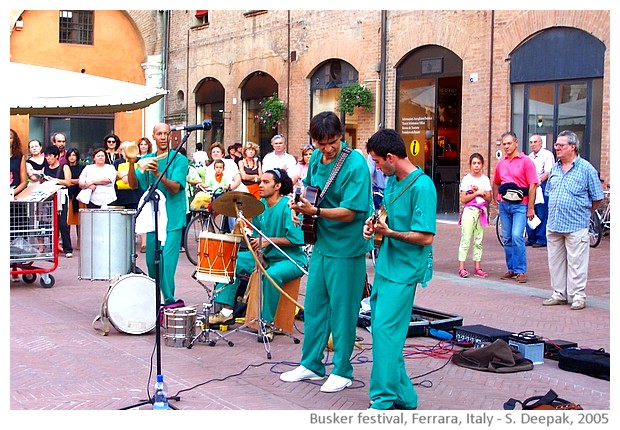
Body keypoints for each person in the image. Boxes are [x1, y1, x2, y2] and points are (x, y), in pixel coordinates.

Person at [280, 111, 372, 393]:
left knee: (343, 311)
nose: (327, 148)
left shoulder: (355, 163)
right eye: (321, 143)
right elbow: (312, 191)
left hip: (347, 246)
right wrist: (301, 211)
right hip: (321, 241)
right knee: (316, 305)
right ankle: (312, 363)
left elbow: (353, 211)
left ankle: (343, 369)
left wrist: (315, 211)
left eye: (332, 142)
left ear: (341, 135)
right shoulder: (317, 158)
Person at [362, 128, 436, 410]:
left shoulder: (422, 186)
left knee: (385, 331)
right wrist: (374, 224)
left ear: (391, 157)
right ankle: (405, 396)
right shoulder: (393, 181)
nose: (377, 168)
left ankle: (382, 398)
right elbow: (386, 215)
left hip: (405, 270)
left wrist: (390, 233)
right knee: (384, 332)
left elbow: (425, 237)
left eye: (378, 162)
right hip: (386, 266)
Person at [209, 168, 307, 341]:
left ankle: (267, 323)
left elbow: (297, 239)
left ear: (277, 186)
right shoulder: (260, 207)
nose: (260, 185)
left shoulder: (287, 206)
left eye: (265, 182)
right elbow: (257, 237)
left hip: (291, 260)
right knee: (232, 260)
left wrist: (269, 240)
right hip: (267, 256)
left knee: (272, 275)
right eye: (260, 181)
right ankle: (226, 311)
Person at [127, 122, 188, 306]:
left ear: (170, 136)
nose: (163, 137)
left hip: (172, 218)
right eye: (159, 134)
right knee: (152, 262)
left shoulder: (179, 159)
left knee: (166, 263)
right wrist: (131, 163)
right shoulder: (147, 158)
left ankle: (168, 301)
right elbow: (133, 184)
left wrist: (156, 172)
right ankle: (155, 298)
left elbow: (175, 188)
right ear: (153, 136)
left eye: (166, 134)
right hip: (153, 218)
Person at [542, 130, 603, 311]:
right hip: (554, 224)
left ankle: (578, 296)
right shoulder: (554, 168)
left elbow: (597, 197)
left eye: (561, 145)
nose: (557, 148)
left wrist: (585, 214)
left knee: (577, 263)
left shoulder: (586, 169)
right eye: (556, 145)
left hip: (576, 224)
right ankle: (558, 294)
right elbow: (549, 193)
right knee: (555, 262)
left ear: (573, 147)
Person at [492, 131, 538, 284]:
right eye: (504, 144)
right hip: (505, 205)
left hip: (520, 205)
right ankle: (511, 268)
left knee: (517, 236)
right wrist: (495, 199)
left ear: (516, 143)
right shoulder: (501, 163)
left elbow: (533, 185)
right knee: (507, 238)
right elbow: (496, 182)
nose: (506, 146)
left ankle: (520, 270)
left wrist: (530, 207)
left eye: (509, 143)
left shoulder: (526, 161)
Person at [457, 153, 492, 278]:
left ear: (482, 164)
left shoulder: (485, 180)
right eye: (474, 163)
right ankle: (461, 267)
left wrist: (482, 193)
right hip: (470, 211)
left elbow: (489, 197)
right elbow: (463, 199)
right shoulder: (466, 179)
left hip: (481, 211)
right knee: (465, 238)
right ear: (470, 165)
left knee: (479, 239)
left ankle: (477, 266)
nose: (476, 166)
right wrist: (477, 192)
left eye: (479, 163)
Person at [43, 145, 73, 258]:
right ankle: (52, 247)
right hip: (49, 197)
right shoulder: (45, 169)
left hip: (61, 196)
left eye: (50, 156)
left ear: (56, 156)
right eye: (46, 156)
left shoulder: (64, 167)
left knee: (62, 223)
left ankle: (67, 248)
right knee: (50, 223)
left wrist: (56, 180)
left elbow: (68, 182)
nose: (48, 158)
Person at [525, 134, 555, 248]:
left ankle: (541, 239)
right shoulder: (529, 157)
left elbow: (548, 172)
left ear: (541, 143)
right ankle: (531, 237)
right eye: (531, 142)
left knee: (541, 212)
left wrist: (539, 181)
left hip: (542, 185)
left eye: (535, 142)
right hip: (530, 185)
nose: (533, 144)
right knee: (530, 211)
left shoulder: (547, 155)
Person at [112, 142, 142, 210]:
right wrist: (125, 175)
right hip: (120, 196)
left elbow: (139, 173)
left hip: (136, 196)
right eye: (123, 149)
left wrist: (123, 174)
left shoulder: (139, 160)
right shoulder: (117, 162)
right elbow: (113, 174)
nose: (125, 151)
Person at [66, 148, 85, 245]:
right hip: (68, 195)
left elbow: (81, 180)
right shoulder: (65, 167)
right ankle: (67, 242)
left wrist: (69, 181)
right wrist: (72, 181)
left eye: (74, 155)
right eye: (70, 155)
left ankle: (80, 241)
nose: (72, 157)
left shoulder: (81, 168)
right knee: (67, 220)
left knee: (80, 221)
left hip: (79, 195)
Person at [10, 129, 28, 198]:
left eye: (10, 138)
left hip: (15, 197)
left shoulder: (19, 157)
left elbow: (23, 182)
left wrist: (11, 193)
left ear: (14, 140)